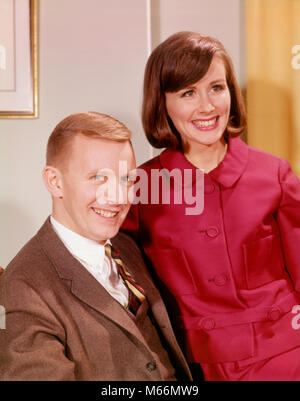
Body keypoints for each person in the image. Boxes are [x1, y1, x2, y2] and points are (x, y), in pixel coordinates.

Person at [122, 31, 300, 381]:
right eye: (188, 93)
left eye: (217, 88)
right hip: (189, 364)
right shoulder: (141, 187)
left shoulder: (274, 174)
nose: (207, 106)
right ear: (163, 103)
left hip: (283, 354)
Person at [0, 112, 191, 381]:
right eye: (98, 178)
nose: (117, 197)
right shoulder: (23, 285)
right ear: (55, 182)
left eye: (126, 179)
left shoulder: (125, 246)